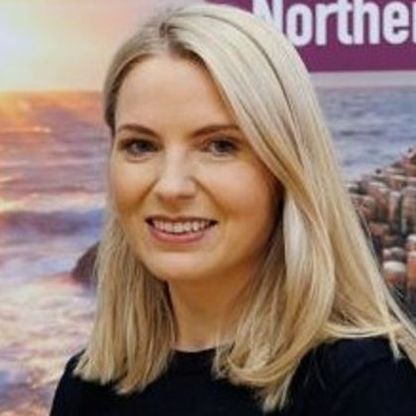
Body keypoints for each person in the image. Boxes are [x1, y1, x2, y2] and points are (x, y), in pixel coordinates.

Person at [50, 3, 416, 415]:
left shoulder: (366, 387)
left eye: (220, 146)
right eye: (141, 145)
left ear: (286, 169)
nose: (171, 185)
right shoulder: (86, 388)